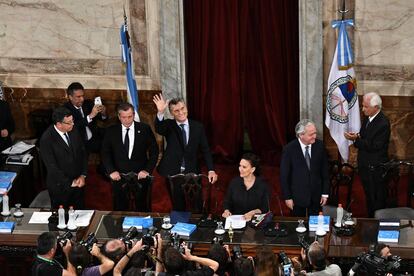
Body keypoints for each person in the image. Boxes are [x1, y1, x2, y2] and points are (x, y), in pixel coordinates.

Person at [153, 94, 218, 211]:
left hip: (192, 170)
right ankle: (180, 226)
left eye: (182, 108)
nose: (180, 112)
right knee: (178, 204)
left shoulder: (198, 127)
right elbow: (159, 128)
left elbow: (206, 150)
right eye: (176, 110)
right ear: (172, 113)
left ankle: (197, 224)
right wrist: (160, 112)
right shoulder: (169, 125)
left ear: (186, 108)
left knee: (197, 203)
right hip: (172, 171)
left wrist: (211, 169)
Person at [101, 102, 158, 211]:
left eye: (130, 116)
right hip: (119, 177)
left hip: (140, 176)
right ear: (119, 116)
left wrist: (147, 170)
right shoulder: (111, 131)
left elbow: (154, 151)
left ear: (133, 114)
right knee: (120, 207)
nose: (127, 120)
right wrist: (111, 170)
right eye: (124, 117)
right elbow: (105, 153)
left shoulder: (144, 128)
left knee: (142, 207)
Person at [344, 92, 390, 217]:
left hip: (375, 169)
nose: (363, 109)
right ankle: (370, 219)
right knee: (369, 196)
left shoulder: (383, 123)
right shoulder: (368, 118)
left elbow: (374, 146)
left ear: (376, 107)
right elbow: (365, 138)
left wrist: (356, 140)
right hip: (365, 165)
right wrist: (356, 137)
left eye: (365, 107)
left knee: (376, 198)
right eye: (362, 106)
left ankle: (376, 222)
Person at [40, 107, 88, 209]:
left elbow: (83, 153)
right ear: (59, 124)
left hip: (79, 183)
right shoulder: (47, 139)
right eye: (69, 122)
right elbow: (52, 167)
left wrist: (83, 175)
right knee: (62, 220)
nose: (73, 124)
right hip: (60, 187)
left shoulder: (73, 130)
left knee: (80, 215)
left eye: (72, 121)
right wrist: (70, 182)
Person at [280, 119, 329, 217]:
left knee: (315, 225)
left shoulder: (319, 146)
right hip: (297, 196)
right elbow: (284, 176)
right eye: (311, 134)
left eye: (315, 133)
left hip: (317, 196)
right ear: (301, 135)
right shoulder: (289, 149)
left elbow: (325, 172)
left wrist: (325, 193)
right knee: (298, 226)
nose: (315, 136)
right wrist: (287, 197)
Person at [222, 153, 270, 221]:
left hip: (254, 222)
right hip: (236, 222)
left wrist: (253, 212)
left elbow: (265, 208)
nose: (240, 169)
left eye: (244, 167)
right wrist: (226, 210)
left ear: (252, 169)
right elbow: (227, 202)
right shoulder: (234, 183)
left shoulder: (263, 185)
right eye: (240, 166)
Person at [63, 82, 107, 154]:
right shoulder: (65, 109)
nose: (82, 99)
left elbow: (103, 119)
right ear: (70, 97)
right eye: (78, 97)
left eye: (83, 96)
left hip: (94, 138)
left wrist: (103, 113)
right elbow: (74, 126)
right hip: (78, 143)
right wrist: (90, 116)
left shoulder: (88, 103)